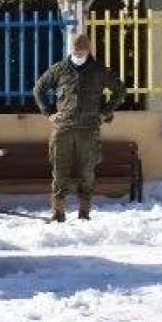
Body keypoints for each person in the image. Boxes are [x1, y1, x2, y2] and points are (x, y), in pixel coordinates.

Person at [32, 32, 125, 222]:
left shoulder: (98, 71)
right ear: (71, 50)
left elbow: (120, 90)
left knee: (87, 172)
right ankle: (58, 212)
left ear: (88, 50)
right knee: (59, 172)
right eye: (75, 52)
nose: (78, 55)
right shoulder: (59, 69)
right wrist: (49, 113)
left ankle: (84, 212)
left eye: (81, 52)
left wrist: (104, 113)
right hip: (63, 128)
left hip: (89, 129)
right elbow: (38, 89)